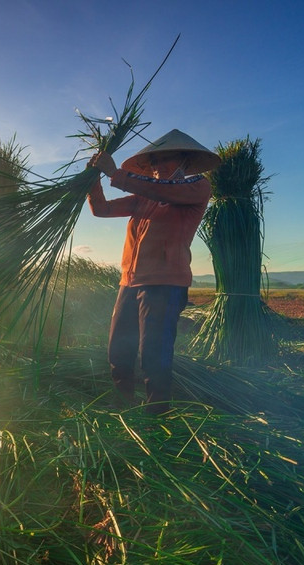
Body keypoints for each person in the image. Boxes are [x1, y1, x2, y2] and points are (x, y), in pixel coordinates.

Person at [87, 129, 220, 414]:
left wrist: (116, 175)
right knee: (119, 351)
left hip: (164, 285)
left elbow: (159, 190)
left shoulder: (197, 188)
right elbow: (100, 209)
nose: (157, 167)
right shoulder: (142, 198)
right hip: (129, 283)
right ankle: (121, 406)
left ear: (184, 160)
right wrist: (92, 179)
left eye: (164, 160)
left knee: (153, 355)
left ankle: (157, 415)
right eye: (154, 162)